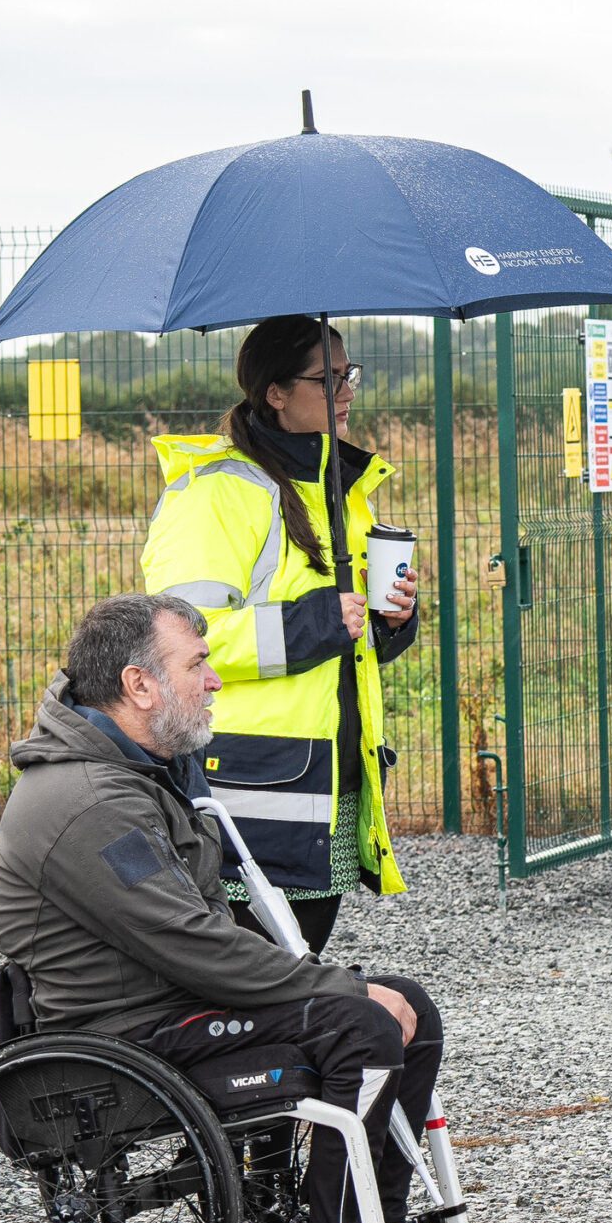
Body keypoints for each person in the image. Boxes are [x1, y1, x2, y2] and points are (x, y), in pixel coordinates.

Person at [0, 594, 505, 1223]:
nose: (214, 680)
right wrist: (341, 988)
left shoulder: (140, 769)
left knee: (408, 1005)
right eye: (196, 664)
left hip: (169, 1005)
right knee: (362, 1024)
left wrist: (346, 987)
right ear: (139, 685)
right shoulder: (87, 801)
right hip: (127, 1042)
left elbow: (201, 935)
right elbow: (194, 943)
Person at [141, 316, 419, 957]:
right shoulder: (219, 494)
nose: (348, 389)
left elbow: (346, 641)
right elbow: (176, 641)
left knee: (295, 968)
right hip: (248, 788)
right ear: (275, 392)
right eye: (329, 378)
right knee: (251, 978)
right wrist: (322, 619)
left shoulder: (337, 489)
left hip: (322, 782)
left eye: (351, 373)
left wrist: (388, 621)